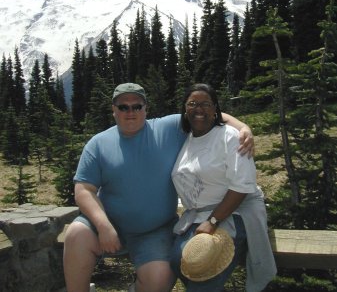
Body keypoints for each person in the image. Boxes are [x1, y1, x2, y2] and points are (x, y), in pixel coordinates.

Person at [63, 82, 255, 292]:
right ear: (113, 109)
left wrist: (243, 128)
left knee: (160, 278)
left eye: (137, 106)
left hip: (155, 231)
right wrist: (103, 226)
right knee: (75, 234)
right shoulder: (98, 143)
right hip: (108, 225)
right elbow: (83, 189)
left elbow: (208, 113)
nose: (130, 112)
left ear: (146, 108)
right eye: (123, 107)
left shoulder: (170, 127)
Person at [170, 83, 277, 292]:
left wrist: (213, 221)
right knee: (177, 261)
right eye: (192, 104)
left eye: (206, 104)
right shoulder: (187, 137)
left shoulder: (230, 137)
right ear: (184, 109)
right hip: (198, 215)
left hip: (232, 212)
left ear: (215, 109)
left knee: (205, 272)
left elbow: (242, 186)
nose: (199, 109)